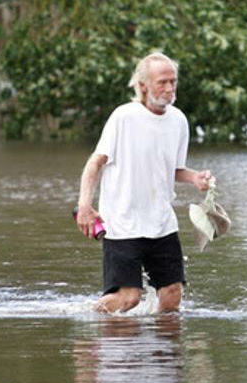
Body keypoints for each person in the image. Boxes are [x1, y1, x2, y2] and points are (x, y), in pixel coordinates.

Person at [76, 52, 212, 313]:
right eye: (162, 82)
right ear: (142, 86)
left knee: (172, 297)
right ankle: (88, 326)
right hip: (122, 223)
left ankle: (160, 352)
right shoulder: (123, 117)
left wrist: (194, 177)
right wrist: (84, 205)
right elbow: (95, 163)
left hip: (161, 222)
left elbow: (171, 169)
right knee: (129, 299)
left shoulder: (179, 120)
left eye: (173, 81)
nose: (170, 88)